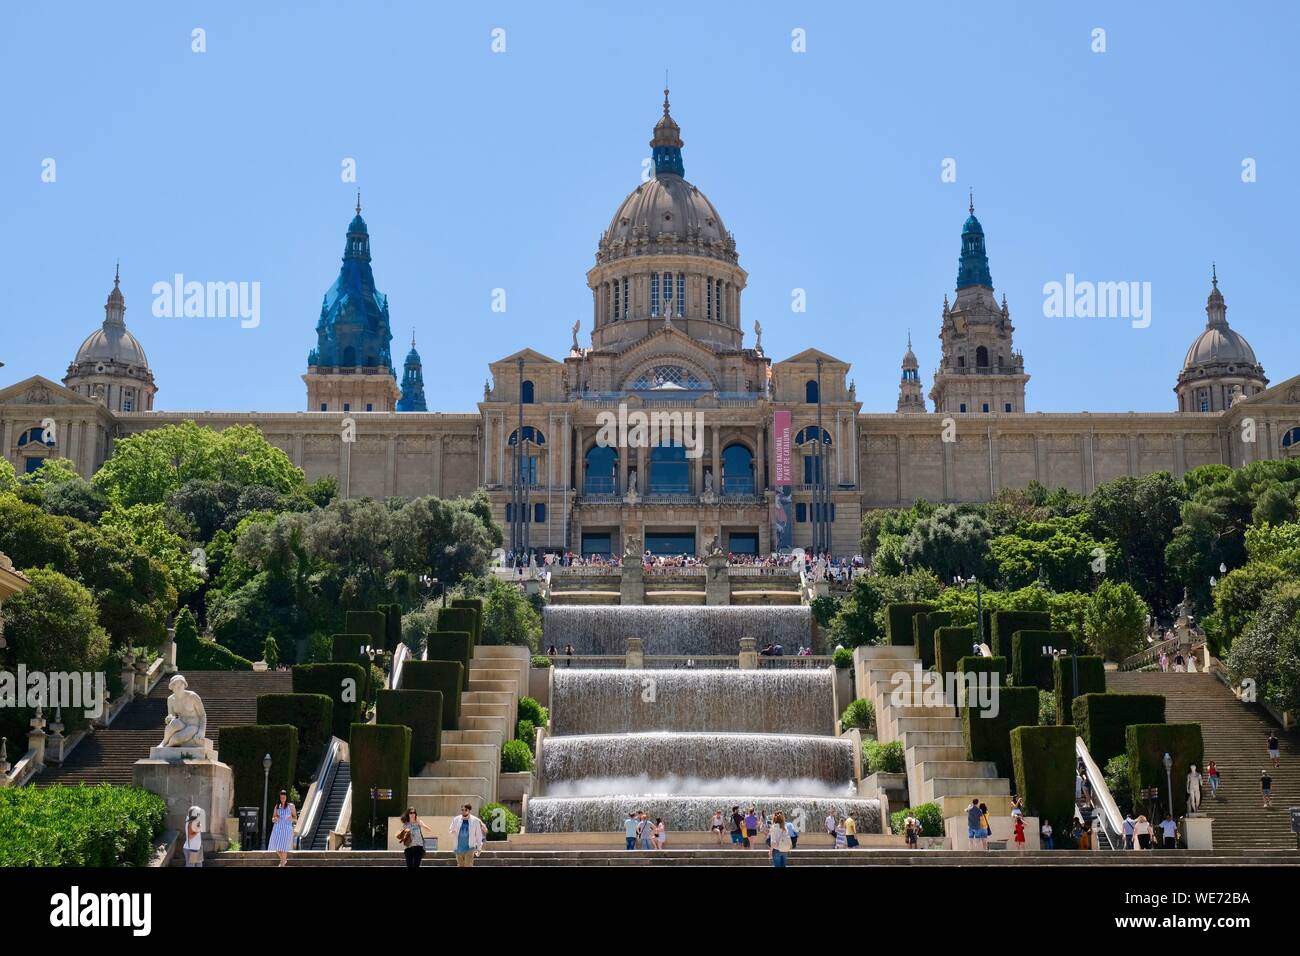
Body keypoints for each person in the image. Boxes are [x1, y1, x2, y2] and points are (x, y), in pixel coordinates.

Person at [268, 790, 296, 866]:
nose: (282, 798)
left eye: (284, 797)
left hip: (287, 829)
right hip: (277, 829)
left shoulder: (291, 806)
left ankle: (282, 864)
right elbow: (273, 818)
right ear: (279, 798)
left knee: (284, 848)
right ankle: (283, 860)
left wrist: (291, 818)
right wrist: (275, 819)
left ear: (286, 797)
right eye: (281, 797)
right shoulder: (277, 806)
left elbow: (295, 818)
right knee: (276, 847)